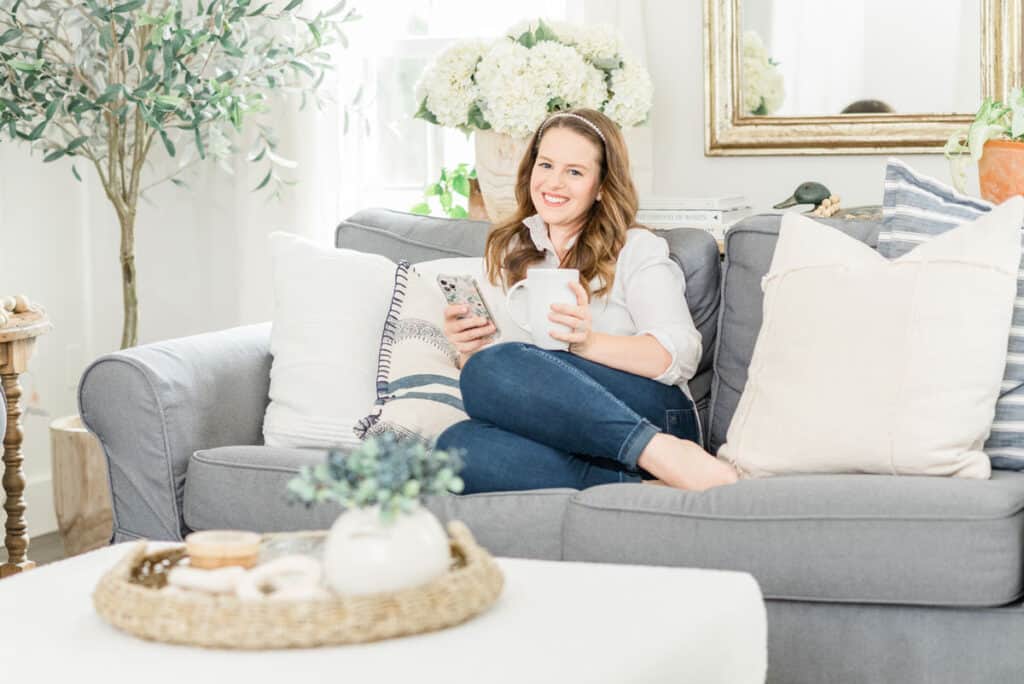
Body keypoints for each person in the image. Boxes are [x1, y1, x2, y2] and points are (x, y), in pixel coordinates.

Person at [435, 108, 739, 493]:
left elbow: (681, 354)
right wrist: (470, 349)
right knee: (453, 449)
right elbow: (513, 380)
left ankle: (657, 452)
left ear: (600, 186)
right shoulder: (510, 249)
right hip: (568, 430)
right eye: (545, 164)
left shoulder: (636, 249)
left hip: (655, 414)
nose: (554, 182)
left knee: (491, 367)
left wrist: (586, 342)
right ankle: (638, 484)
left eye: (574, 172)